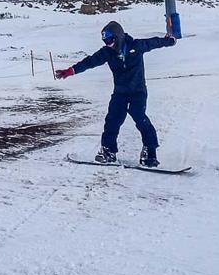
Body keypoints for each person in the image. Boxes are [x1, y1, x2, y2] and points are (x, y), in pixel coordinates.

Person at [54, 20, 176, 167]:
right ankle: (108, 151)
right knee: (112, 120)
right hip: (120, 93)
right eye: (105, 41)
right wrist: (70, 71)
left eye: (110, 40)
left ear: (118, 37)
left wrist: (169, 40)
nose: (108, 44)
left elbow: (154, 43)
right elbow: (90, 62)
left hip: (138, 92)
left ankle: (150, 152)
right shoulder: (107, 53)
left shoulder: (136, 46)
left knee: (140, 117)